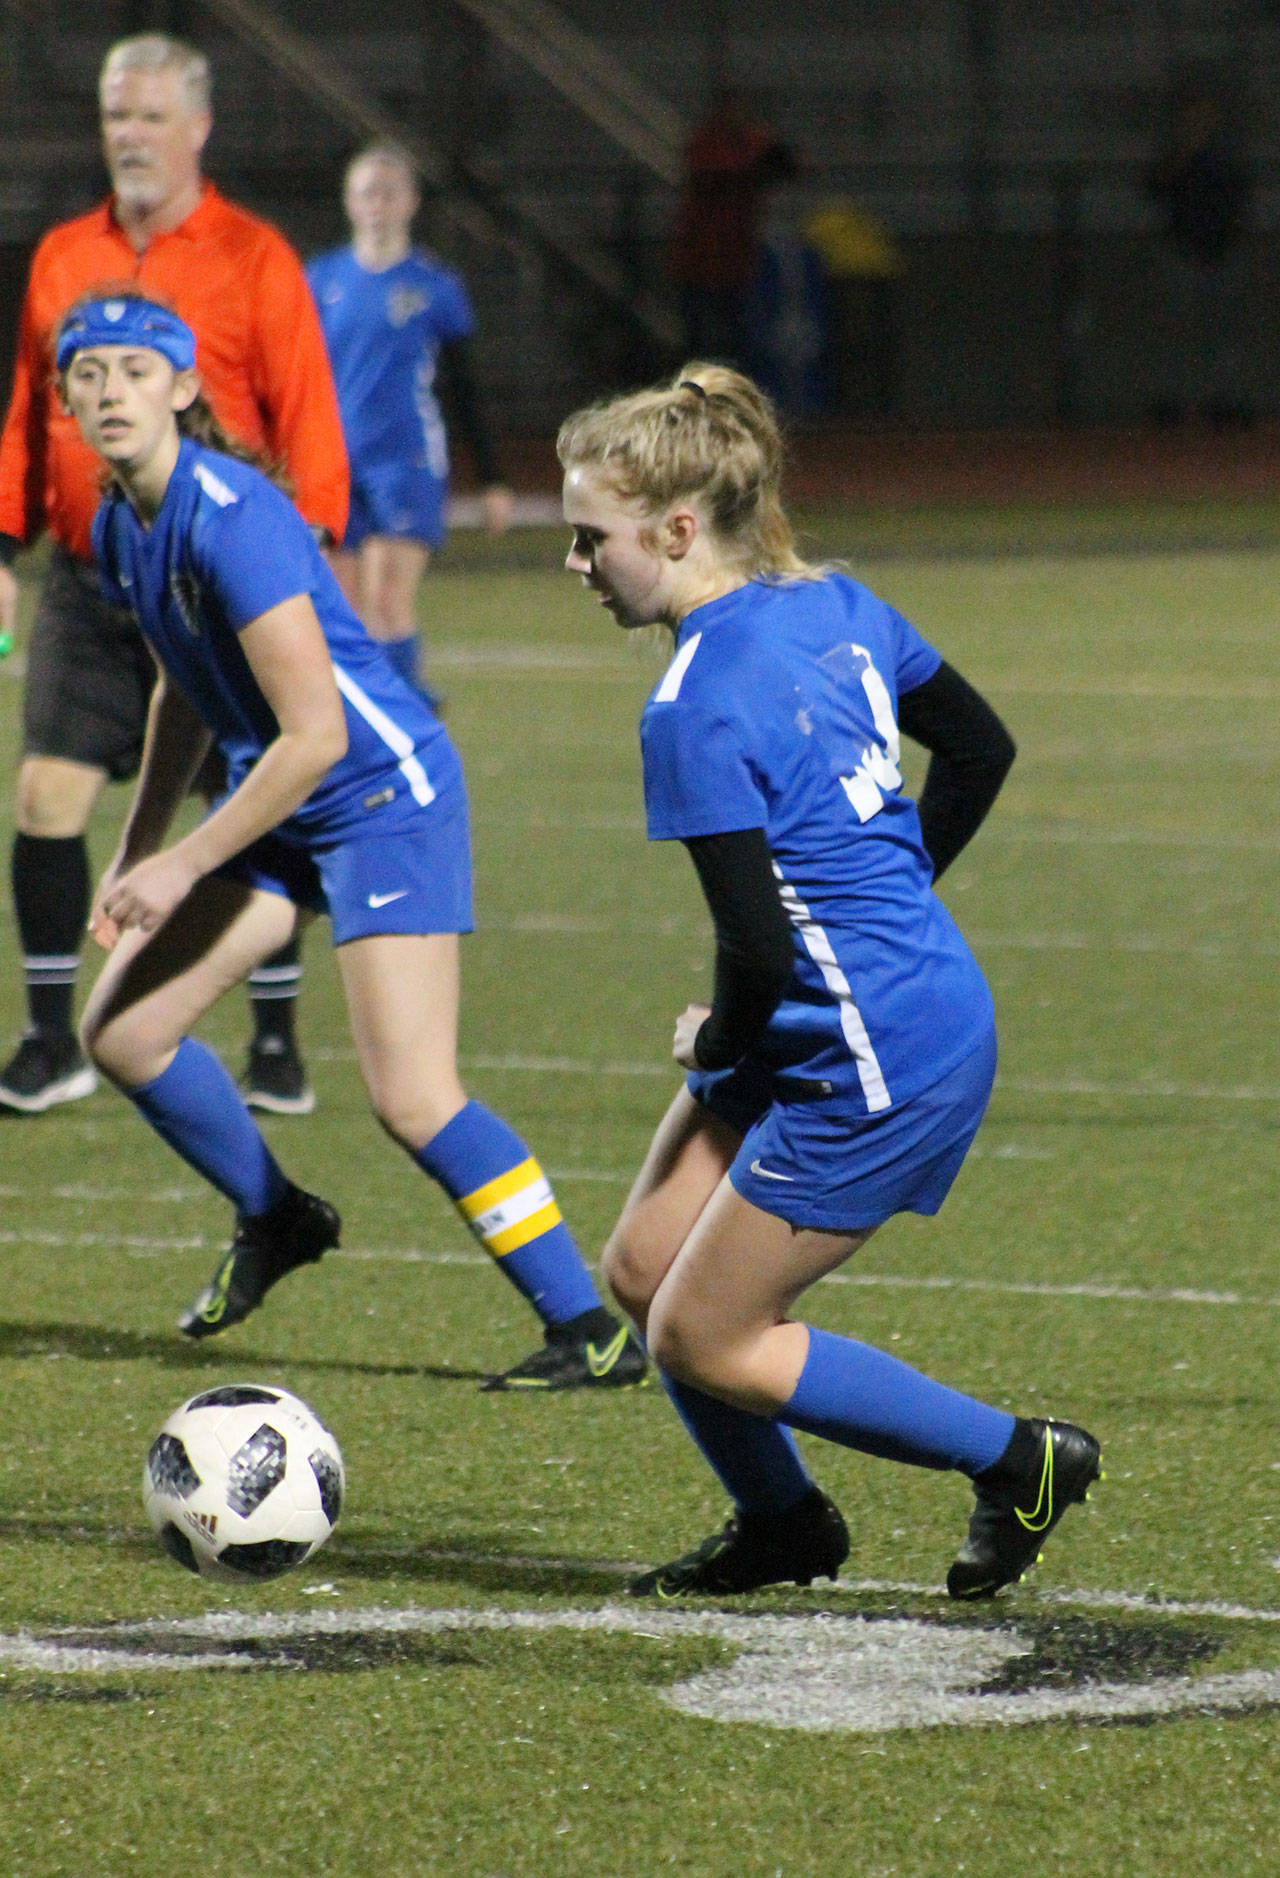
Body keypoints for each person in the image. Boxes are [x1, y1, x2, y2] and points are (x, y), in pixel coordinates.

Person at [557, 363, 1101, 1597]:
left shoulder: (688, 705)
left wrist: (712, 1048)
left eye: (591, 540)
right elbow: (977, 748)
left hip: (877, 1050)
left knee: (702, 1334)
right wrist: (893, 894)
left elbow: (754, 949)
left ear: (677, 529)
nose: (577, 566)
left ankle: (1021, 1461)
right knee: (643, 1270)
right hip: (856, 1008)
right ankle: (785, 1525)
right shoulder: (837, 603)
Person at [57, 290, 646, 1394]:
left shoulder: (229, 513)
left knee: (411, 1095)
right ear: (66, 404)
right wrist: (138, 847)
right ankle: (276, 1218)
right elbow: (180, 696)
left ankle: (589, 1327)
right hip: (284, 798)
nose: (110, 392)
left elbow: (319, 735)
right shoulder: (122, 525)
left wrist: (184, 860)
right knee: (124, 1034)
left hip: (379, 793)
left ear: (183, 388)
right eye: (87, 375)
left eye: (135, 370)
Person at [0, 31, 349, 1117]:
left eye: (151, 115)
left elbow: (306, 414)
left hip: (214, 579)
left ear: (199, 127)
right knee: (47, 790)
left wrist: (305, 565)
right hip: (89, 573)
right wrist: (4, 545)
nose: (131, 135)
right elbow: (25, 403)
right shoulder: (63, 252)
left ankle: (277, 1041)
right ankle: (52, 1036)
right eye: (117, 115)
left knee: (243, 796)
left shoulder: (252, 255)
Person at [307, 142, 513, 698]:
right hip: (333, 461)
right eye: (366, 191)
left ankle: (405, 717)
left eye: (389, 191)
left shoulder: (433, 285)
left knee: (388, 600)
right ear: (350, 201)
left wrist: (492, 477)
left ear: (411, 202)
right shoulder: (320, 280)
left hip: (405, 458)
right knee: (343, 611)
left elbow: (464, 387)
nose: (377, 202)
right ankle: (369, 723)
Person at [1146, 84, 1255, 426]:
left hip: (1221, 252)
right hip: (1182, 251)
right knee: (1177, 331)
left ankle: (1224, 402)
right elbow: (1154, 189)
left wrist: (1229, 243)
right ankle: (1172, 403)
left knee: (1220, 332)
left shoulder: (1226, 155)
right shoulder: (1175, 152)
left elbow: (1238, 200)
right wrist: (1182, 153)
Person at [667, 87, 798, 368]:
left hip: (736, 259)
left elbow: (789, 167)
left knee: (736, 339)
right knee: (698, 340)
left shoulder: (751, 142)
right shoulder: (706, 142)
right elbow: (714, 175)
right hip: (699, 257)